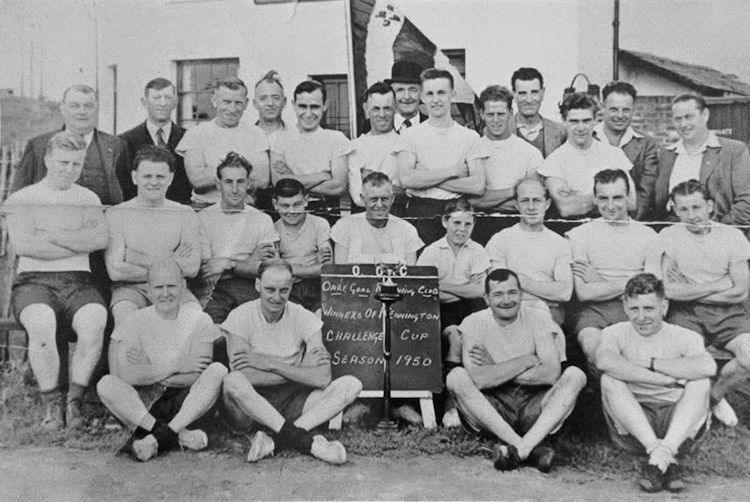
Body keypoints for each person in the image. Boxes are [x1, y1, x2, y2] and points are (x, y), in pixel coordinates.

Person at [5, 131, 109, 430]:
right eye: (63, 162)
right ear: (48, 159)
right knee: (41, 323)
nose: (68, 170)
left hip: (79, 281)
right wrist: (78, 241)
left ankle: (74, 402)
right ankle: (52, 405)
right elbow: (26, 247)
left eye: (76, 164)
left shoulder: (87, 198)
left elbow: (99, 239)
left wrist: (52, 236)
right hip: (33, 281)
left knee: (95, 319)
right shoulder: (23, 198)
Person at [221, 260, 363, 464]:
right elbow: (245, 375)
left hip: (294, 400)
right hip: (251, 406)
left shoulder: (303, 317)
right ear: (257, 285)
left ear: (291, 288)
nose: (276, 297)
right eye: (270, 289)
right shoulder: (240, 316)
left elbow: (322, 378)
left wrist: (269, 363)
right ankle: (303, 440)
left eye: (283, 290)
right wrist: (300, 372)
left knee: (351, 384)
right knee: (232, 381)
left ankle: (276, 440)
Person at [446, 269, 586, 472]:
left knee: (575, 375)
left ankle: (518, 449)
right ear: (486, 298)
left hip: (534, 405)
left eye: (512, 293)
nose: (506, 300)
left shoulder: (538, 318)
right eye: (498, 294)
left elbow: (550, 374)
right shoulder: (474, 322)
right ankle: (530, 447)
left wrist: (495, 367)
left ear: (521, 294)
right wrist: (526, 360)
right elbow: (480, 380)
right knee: (456, 377)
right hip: (493, 406)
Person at [97, 259, 227, 462]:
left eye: (171, 286)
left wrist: (149, 368)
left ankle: (158, 436)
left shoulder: (199, 320)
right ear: (148, 290)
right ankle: (175, 435)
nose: (165, 293)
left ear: (183, 286)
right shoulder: (135, 321)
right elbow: (127, 375)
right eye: (159, 287)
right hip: (148, 402)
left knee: (217, 370)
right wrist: (178, 365)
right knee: (106, 384)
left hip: (186, 402)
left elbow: (197, 375)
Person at [597, 273, 715, 493]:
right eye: (634, 309)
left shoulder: (685, 336)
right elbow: (605, 361)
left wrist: (649, 362)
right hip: (633, 425)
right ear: (625, 307)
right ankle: (661, 454)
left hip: (678, 423)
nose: (641, 317)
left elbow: (707, 367)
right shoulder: (614, 333)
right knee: (609, 379)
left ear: (664, 306)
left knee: (701, 383)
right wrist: (663, 379)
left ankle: (659, 457)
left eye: (649, 308)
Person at [660, 180, 750, 427]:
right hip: (686, 313)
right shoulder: (669, 235)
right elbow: (669, 290)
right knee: (686, 359)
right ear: (676, 211)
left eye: (697, 208)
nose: (692, 216)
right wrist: (718, 284)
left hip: (728, 311)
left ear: (710, 206)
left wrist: (689, 290)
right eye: (684, 210)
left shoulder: (732, 236)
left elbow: (740, 291)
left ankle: (714, 397)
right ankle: (690, 411)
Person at [566, 169, 660, 368]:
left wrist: (598, 280)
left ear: (628, 197)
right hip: (594, 313)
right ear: (595, 199)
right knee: (596, 351)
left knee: (636, 355)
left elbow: (651, 291)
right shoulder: (580, 234)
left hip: (637, 309)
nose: (610, 206)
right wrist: (636, 278)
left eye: (617, 197)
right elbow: (584, 293)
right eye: (603, 198)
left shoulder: (648, 235)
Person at [105, 146, 202, 325]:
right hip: (130, 290)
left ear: (170, 178)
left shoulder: (184, 213)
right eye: (147, 176)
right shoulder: (117, 213)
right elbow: (116, 271)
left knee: (196, 319)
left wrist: (136, 258)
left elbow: (192, 267)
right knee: (126, 319)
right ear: (135, 177)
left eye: (160, 177)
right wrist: (170, 262)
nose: (154, 182)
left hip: (175, 288)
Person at [417, 199, 490, 427]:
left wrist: (443, 285)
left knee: (477, 342)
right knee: (455, 337)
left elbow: (480, 290)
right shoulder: (432, 251)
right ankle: (449, 406)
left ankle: (474, 406)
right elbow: (424, 292)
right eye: (456, 223)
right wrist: (465, 289)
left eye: (467, 224)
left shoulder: (477, 250)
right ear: (444, 222)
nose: (461, 229)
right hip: (439, 310)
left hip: (470, 308)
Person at [397, 68, 487, 246]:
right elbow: (406, 179)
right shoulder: (410, 135)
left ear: (452, 95)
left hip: (457, 212)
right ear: (422, 97)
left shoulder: (470, 137)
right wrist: (453, 171)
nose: (436, 99)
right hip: (421, 212)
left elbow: (477, 186)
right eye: (430, 94)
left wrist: (425, 176)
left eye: (441, 93)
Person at [12, 84, 126, 207]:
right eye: (74, 106)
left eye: (88, 106)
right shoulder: (38, 146)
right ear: (63, 108)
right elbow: (18, 198)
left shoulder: (117, 146)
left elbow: (129, 197)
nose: (82, 112)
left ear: (96, 108)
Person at [198, 152, 279, 324]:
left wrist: (227, 263)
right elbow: (207, 271)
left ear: (248, 183)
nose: (235, 189)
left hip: (251, 289)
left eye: (240, 182)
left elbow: (268, 270)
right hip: (214, 291)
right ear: (218, 184)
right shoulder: (203, 218)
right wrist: (250, 261)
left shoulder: (262, 219)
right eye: (228, 182)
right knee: (212, 332)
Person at [653, 94, 750, 236]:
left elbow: (747, 201)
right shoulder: (666, 155)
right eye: (678, 119)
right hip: (677, 240)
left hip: (721, 238)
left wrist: (717, 232)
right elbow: (660, 205)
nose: (683, 124)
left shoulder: (734, 150)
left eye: (689, 117)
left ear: (705, 115)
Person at [485, 176, 573, 327]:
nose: (531, 207)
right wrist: (546, 294)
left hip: (547, 314)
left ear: (547, 204)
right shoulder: (500, 240)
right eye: (525, 201)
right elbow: (498, 289)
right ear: (517, 205)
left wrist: (517, 280)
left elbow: (564, 293)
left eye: (537, 200)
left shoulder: (560, 243)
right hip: (508, 312)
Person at [176, 77, 270, 209]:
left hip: (244, 208)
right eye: (226, 102)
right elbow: (197, 180)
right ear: (215, 101)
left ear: (246, 103)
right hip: (205, 207)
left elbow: (262, 179)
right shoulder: (195, 133)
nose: (232, 109)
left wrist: (213, 171)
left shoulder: (256, 133)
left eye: (238, 103)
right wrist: (242, 174)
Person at [537, 93, 634, 219]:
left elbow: (631, 202)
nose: (581, 128)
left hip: (612, 229)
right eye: (574, 121)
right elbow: (566, 209)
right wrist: (611, 195)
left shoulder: (614, 154)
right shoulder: (554, 161)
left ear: (595, 120)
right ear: (564, 121)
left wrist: (580, 198)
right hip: (573, 231)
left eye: (586, 121)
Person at [470, 85, 543, 245]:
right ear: (482, 114)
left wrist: (488, 198)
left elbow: (530, 201)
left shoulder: (530, 153)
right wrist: (515, 191)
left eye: (501, 114)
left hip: (519, 229)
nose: (496, 120)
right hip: (480, 229)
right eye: (490, 114)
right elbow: (472, 201)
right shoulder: (472, 149)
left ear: (511, 113)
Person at [270, 80, 351, 220]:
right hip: (291, 212)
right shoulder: (280, 139)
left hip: (326, 210)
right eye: (302, 106)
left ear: (325, 106)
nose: (308, 114)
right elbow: (279, 183)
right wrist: (322, 176)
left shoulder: (336, 139)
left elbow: (338, 186)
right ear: (293, 105)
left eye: (314, 107)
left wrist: (293, 180)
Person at [594, 81, 660, 221]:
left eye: (626, 110)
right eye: (614, 109)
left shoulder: (646, 145)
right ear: (602, 107)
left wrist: (628, 223)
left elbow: (645, 192)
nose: (620, 115)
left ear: (633, 109)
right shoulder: (589, 139)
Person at [119, 78, 190, 204]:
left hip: (178, 214)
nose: (162, 103)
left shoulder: (189, 138)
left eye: (168, 97)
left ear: (175, 102)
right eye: (156, 97)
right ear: (144, 102)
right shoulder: (125, 141)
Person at [331, 172, 423, 264]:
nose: (379, 205)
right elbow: (340, 273)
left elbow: (411, 275)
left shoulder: (407, 230)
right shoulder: (345, 226)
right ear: (363, 199)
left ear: (392, 199)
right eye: (373, 199)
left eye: (384, 199)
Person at [273, 178, 332, 313]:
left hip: (319, 286)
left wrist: (289, 268)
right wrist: (315, 265)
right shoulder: (273, 230)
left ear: (306, 200)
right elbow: (277, 271)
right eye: (285, 206)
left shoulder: (320, 224)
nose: (292, 211)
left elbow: (328, 268)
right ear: (275, 204)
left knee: (323, 319)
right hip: (289, 289)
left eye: (297, 204)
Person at [349, 82, 407, 216]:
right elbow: (358, 199)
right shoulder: (354, 147)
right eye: (376, 108)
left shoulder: (405, 143)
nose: (382, 114)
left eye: (387, 108)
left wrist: (370, 180)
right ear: (366, 109)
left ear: (396, 108)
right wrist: (392, 187)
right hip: (364, 221)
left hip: (398, 217)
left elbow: (410, 193)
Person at [509, 67, 566, 158]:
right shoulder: (502, 130)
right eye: (522, 93)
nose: (529, 100)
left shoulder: (561, 132)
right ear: (514, 95)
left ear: (542, 93)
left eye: (534, 92)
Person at [252, 70, 287, 210]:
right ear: (255, 103)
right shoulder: (244, 136)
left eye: (276, 98)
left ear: (284, 102)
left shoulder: (296, 136)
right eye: (263, 98)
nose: (270, 103)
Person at [389, 61, 428, 134]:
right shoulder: (375, 126)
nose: (407, 97)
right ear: (392, 93)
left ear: (422, 92)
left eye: (412, 90)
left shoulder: (434, 126)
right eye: (400, 90)